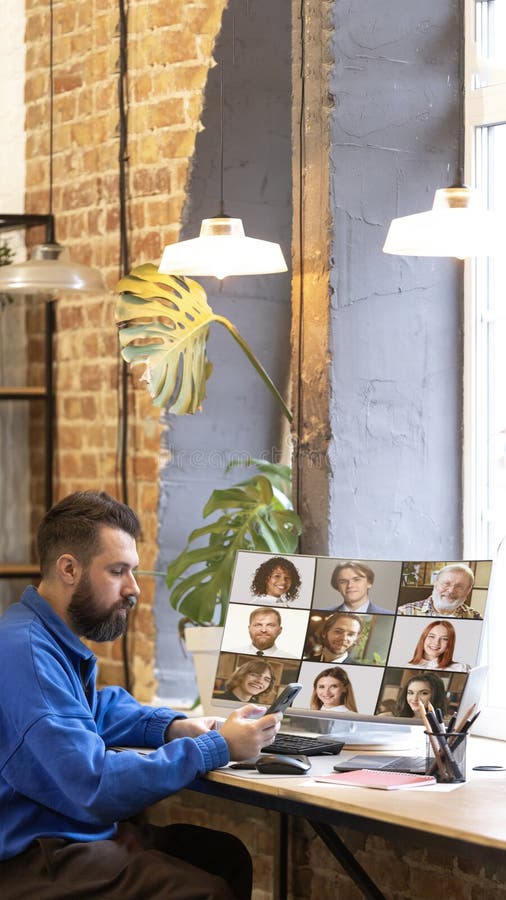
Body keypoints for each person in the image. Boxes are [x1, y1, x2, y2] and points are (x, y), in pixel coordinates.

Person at [0, 491, 282, 900]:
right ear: (68, 569)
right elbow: (93, 786)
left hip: (66, 830)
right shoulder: (25, 652)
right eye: (117, 571)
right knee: (206, 891)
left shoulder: (38, 635)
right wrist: (214, 747)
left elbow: (94, 710)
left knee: (222, 855)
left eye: (133, 571)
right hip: (34, 853)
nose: (133, 589)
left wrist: (173, 727)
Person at [397, 563, 481, 618]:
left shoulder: (475, 617)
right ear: (435, 584)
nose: (451, 590)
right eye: (446, 584)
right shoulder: (405, 612)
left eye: (459, 586)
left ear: (468, 590)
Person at [230, 607, 299, 658]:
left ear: (280, 630)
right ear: (249, 628)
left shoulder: (291, 658)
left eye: (270, 625)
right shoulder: (231, 653)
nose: (263, 630)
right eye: (258, 625)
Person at [406, 620, 470, 672]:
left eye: (444, 639)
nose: (436, 643)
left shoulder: (461, 669)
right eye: (431, 636)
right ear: (423, 638)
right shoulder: (408, 667)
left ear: (450, 643)